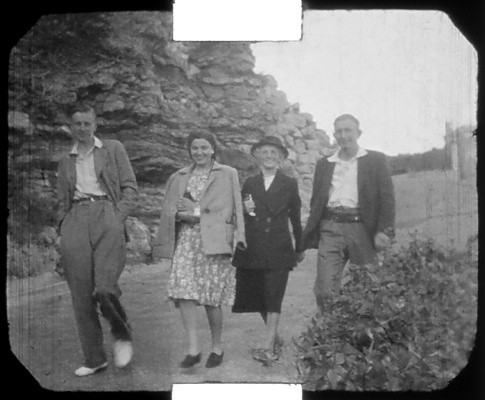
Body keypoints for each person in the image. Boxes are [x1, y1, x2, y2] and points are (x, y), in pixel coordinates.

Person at [152, 131, 246, 369]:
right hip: (186, 240)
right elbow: (170, 210)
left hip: (214, 241)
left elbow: (232, 211)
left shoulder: (227, 174)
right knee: (184, 291)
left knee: (211, 298)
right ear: (189, 151)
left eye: (204, 147)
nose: (200, 152)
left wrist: (195, 211)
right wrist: (181, 215)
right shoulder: (179, 176)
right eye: (195, 148)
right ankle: (193, 348)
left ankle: (217, 346)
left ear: (213, 149)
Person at [56, 104, 138, 377]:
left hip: (107, 214)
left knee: (104, 287)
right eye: (77, 123)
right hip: (76, 218)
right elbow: (61, 200)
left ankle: (121, 333)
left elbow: (130, 187)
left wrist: (117, 216)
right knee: (80, 294)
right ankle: (94, 358)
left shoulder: (113, 148)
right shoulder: (66, 160)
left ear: (95, 124)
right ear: (71, 126)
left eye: (87, 123)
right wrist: (63, 226)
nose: (82, 128)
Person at [302, 114, 395, 313]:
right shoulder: (325, 163)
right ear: (334, 134)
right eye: (339, 131)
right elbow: (317, 198)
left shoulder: (375, 160)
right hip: (331, 227)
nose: (343, 136)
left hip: (362, 227)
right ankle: (330, 333)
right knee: (325, 288)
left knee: (367, 284)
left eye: (348, 130)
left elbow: (387, 199)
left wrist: (383, 231)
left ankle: (362, 336)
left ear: (358, 133)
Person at [232, 136, 305, 366]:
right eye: (265, 152)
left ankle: (268, 346)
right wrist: (245, 212)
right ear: (257, 156)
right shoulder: (250, 183)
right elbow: (244, 215)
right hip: (252, 247)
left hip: (278, 247)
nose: (270, 157)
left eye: (274, 153)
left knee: (274, 295)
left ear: (281, 158)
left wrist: (300, 246)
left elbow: (295, 217)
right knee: (258, 296)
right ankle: (273, 338)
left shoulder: (289, 183)